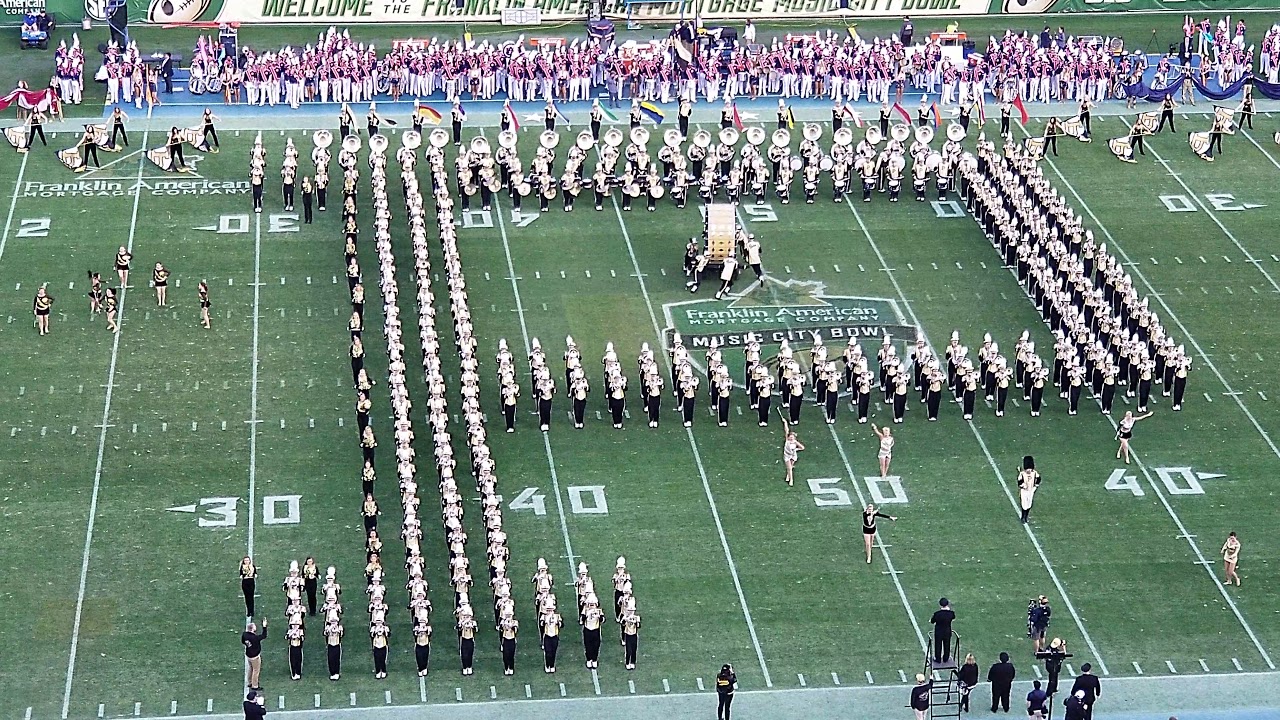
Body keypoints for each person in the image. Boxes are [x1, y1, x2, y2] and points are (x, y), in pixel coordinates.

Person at [241, 619, 268, 690]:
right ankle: (255, 685)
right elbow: (264, 635)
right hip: (255, 656)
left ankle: (250, 682)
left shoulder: (244, 635)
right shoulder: (254, 638)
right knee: (256, 670)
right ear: (252, 629)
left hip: (248, 654)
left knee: (250, 668)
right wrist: (264, 627)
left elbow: (243, 642)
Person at [930, 598, 955, 664]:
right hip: (947, 631)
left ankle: (937, 658)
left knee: (938, 645)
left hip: (939, 632)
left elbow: (932, 621)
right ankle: (946, 658)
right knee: (947, 644)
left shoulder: (937, 614)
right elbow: (953, 617)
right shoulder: (951, 613)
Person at [1018, 456, 1041, 524]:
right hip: (1024, 491)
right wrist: (1023, 485)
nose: (1029, 470)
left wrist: (1035, 486)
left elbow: (1039, 479)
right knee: (1024, 504)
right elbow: (1019, 482)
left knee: (1029, 504)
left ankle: (1026, 516)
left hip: (1031, 490)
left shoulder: (1034, 473)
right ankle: (1023, 517)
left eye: (1030, 469)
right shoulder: (1022, 474)